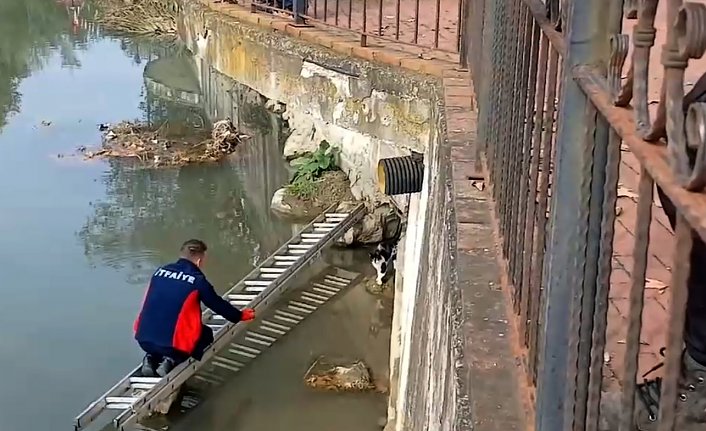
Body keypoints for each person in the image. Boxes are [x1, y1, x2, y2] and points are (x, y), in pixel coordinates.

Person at [133, 239, 255, 377]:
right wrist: (239, 316)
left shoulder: (159, 272)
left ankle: (150, 358)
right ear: (199, 261)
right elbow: (216, 304)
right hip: (173, 346)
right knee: (206, 335)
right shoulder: (197, 280)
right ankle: (171, 360)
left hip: (143, 339)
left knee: (164, 324)